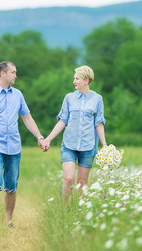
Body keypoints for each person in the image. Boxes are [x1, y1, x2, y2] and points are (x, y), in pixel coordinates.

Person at [0, 61, 47, 228]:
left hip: (14, 146)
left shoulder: (18, 95)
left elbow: (27, 118)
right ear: (3, 73)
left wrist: (39, 137)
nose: (15, 75)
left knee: (11, 185)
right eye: (13, 72)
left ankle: (8, 221)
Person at [41, 65, 106, 203]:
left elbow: (98, 123)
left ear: (87, 81)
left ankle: (79, 211)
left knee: (82, 182)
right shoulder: (69, 98)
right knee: (69, 178)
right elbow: (62, 121)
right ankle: (66, 209)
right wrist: (48, 139)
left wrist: (104, 144)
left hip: (88, 146)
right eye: (74, 78)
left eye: (77, 78)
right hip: (69, 145)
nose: (74, 81)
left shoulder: (97, 99)